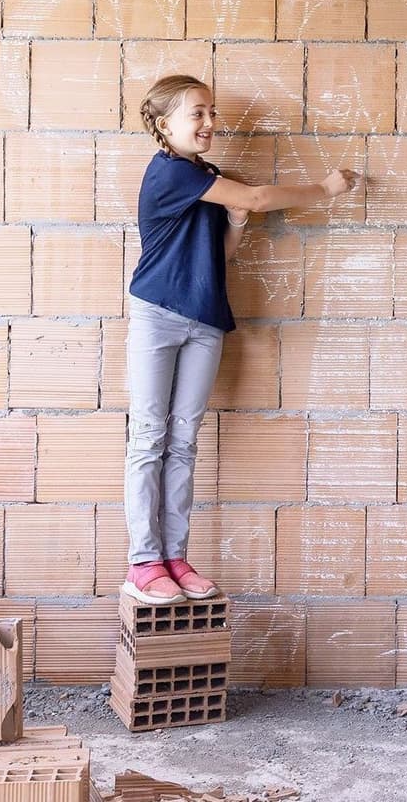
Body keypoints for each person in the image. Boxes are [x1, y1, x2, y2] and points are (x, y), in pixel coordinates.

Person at [125, 74, 360, 605]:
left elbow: (221, 256)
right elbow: (256, 195)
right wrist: (323, 189)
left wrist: (234, 223)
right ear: (165, 125)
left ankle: (175, 559)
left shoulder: (207, 177)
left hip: (205, 319)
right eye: (197, 114)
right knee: (149, 438)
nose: (210, 122)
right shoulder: (169, 173)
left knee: (182, 441)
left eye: (212, 112)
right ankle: (144, 562)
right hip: (158, 315)